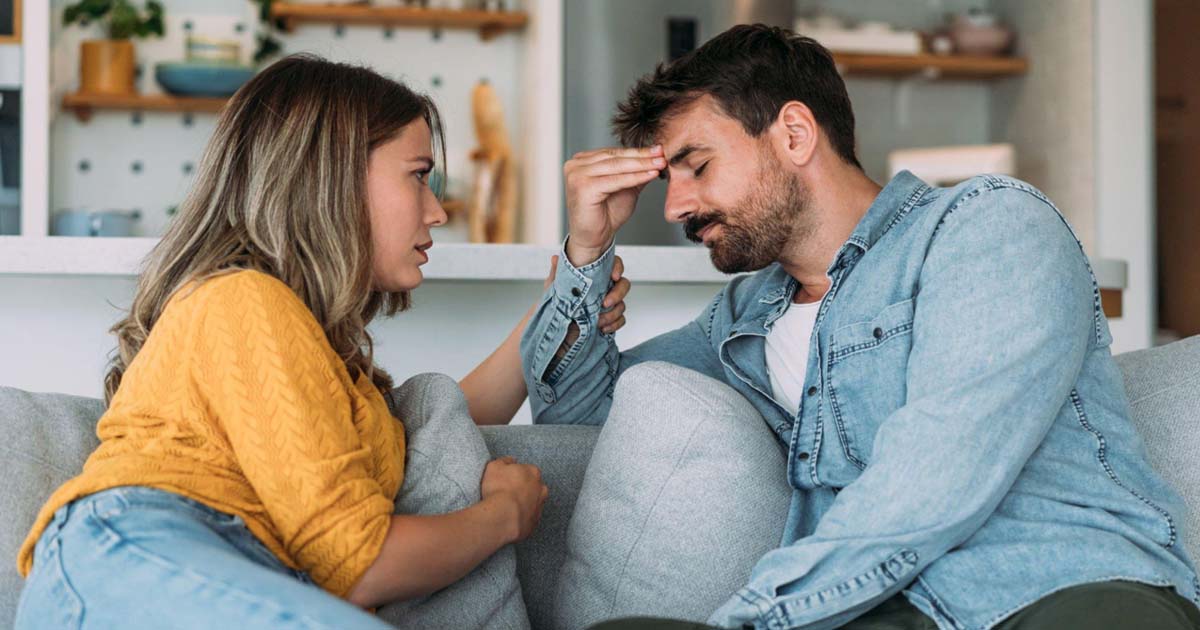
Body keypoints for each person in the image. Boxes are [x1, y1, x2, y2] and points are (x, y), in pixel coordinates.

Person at [520, 24, 1200, 630]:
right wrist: (585, 253)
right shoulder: (743, 320)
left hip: (1056, 587)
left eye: (697, 166)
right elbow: (576, 414)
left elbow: (935, 477)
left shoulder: (988, 226)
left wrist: (757, 618)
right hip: (876, 608)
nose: (675, 206)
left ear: (793, 133)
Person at [13, 54, 632, 629]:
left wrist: (567, 299)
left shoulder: (320, 361)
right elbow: (359, 565)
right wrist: (503, 516)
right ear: (330, 179)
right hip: (138, 556)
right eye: (418, 177)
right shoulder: (241, 300)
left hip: (201, 565)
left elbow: (441, 418)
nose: (437, 211)